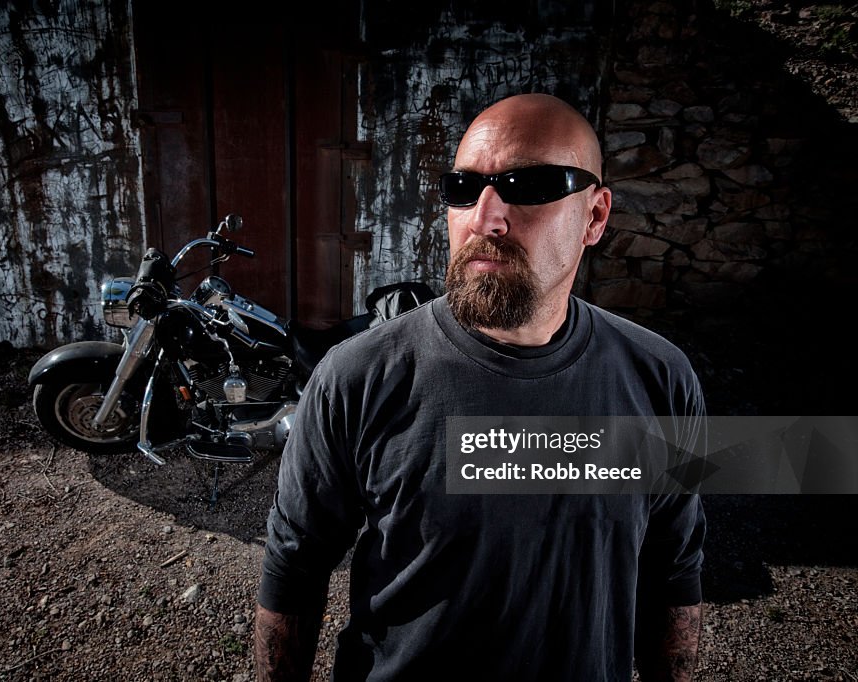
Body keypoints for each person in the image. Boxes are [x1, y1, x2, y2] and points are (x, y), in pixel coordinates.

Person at [253, 93, 706, 681]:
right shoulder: (356, 379)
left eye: (533, 185)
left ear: (595, 216)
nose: (485, 217)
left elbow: (673, 571)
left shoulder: (661, 380)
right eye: (462, 189)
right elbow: (294, 570)